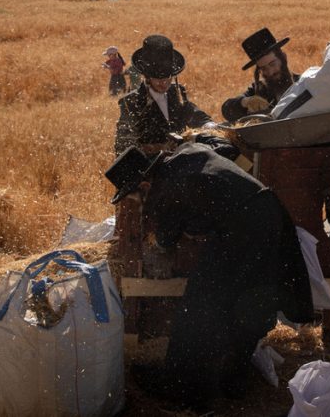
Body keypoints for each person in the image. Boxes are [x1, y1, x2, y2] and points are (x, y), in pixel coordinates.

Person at [105, 140, 312, 409]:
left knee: (199, 305)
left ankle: (181, 386)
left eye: (133, 196)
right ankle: (235, 381)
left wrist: (162, 234)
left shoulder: (163, 191)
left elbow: (166, 241)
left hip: (242, 227)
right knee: (251, 299)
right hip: (270, 211)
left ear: (143, 185)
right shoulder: (189, 151)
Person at [114, 35, 212, 155]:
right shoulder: (131, 102)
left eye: (168, 78)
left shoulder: (177, 92)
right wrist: (159, 148)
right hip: (152, 167)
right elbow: (123, 145)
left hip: (182, 161)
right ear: (148, 77)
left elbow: (192, 113)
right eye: (159, 79)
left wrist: (209, 125)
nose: (164, 83)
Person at [220, 28, 299, 123]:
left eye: (272, 64)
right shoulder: (258, 89)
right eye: (263, 68)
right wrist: (246, 102)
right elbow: (227, 109)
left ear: (284, 58)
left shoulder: (303, 83)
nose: (270, 72)